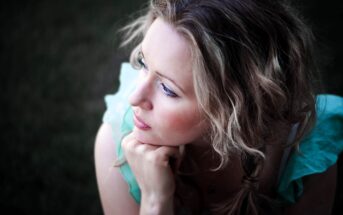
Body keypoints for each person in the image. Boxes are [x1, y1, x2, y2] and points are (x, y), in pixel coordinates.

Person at [94, 0, 343, 214]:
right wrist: (154, 200)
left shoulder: (306, 152)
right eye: (143, 62)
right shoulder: (117, 143)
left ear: (234, 108)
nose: (134, 98)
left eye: (168, 89)